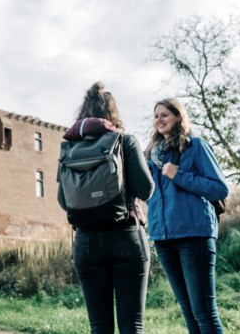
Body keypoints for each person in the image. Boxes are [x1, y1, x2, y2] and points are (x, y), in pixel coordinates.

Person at [67, 82, 155, 334]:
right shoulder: (124, 141)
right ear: (112, 112)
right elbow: (145, 190)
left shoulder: (69, 148)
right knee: (132, 325)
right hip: (126, 236)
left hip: (85, 241)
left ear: (83, 112)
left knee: (100, 327)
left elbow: (64, 200)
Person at [145, 98, 229, 334]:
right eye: (156, 115)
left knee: (204, 312)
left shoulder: (196, 146)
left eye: (164, 115)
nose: (159, 120)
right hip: (163, 238)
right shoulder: (152, 154)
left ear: (178, 117)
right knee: (189, 313)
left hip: (194, 235)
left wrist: (179, 174)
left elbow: (220, 189)